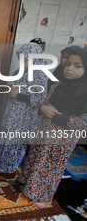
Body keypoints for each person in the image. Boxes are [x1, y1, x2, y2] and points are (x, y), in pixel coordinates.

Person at [18, 46, 87, 209]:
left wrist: (56, 116)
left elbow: (82, 123)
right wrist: (43, 108)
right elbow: (45, 103)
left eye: (77, 66)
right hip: (44, 131)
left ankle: (46, 197)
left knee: (51, 167)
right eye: (68, 64)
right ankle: (30, 186)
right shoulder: (58, 86)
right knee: (37, 159)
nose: (69, 68)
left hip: (62, 138)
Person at [0, 43, 48, 173]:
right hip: (15, 114)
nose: (22, 63)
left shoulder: (40, 74)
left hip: (24, 118)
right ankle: (0, 164)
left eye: (25, 60)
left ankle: (8, 168)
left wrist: (18, 95)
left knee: (15, 142)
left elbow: (39, 100)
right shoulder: (25, 71)